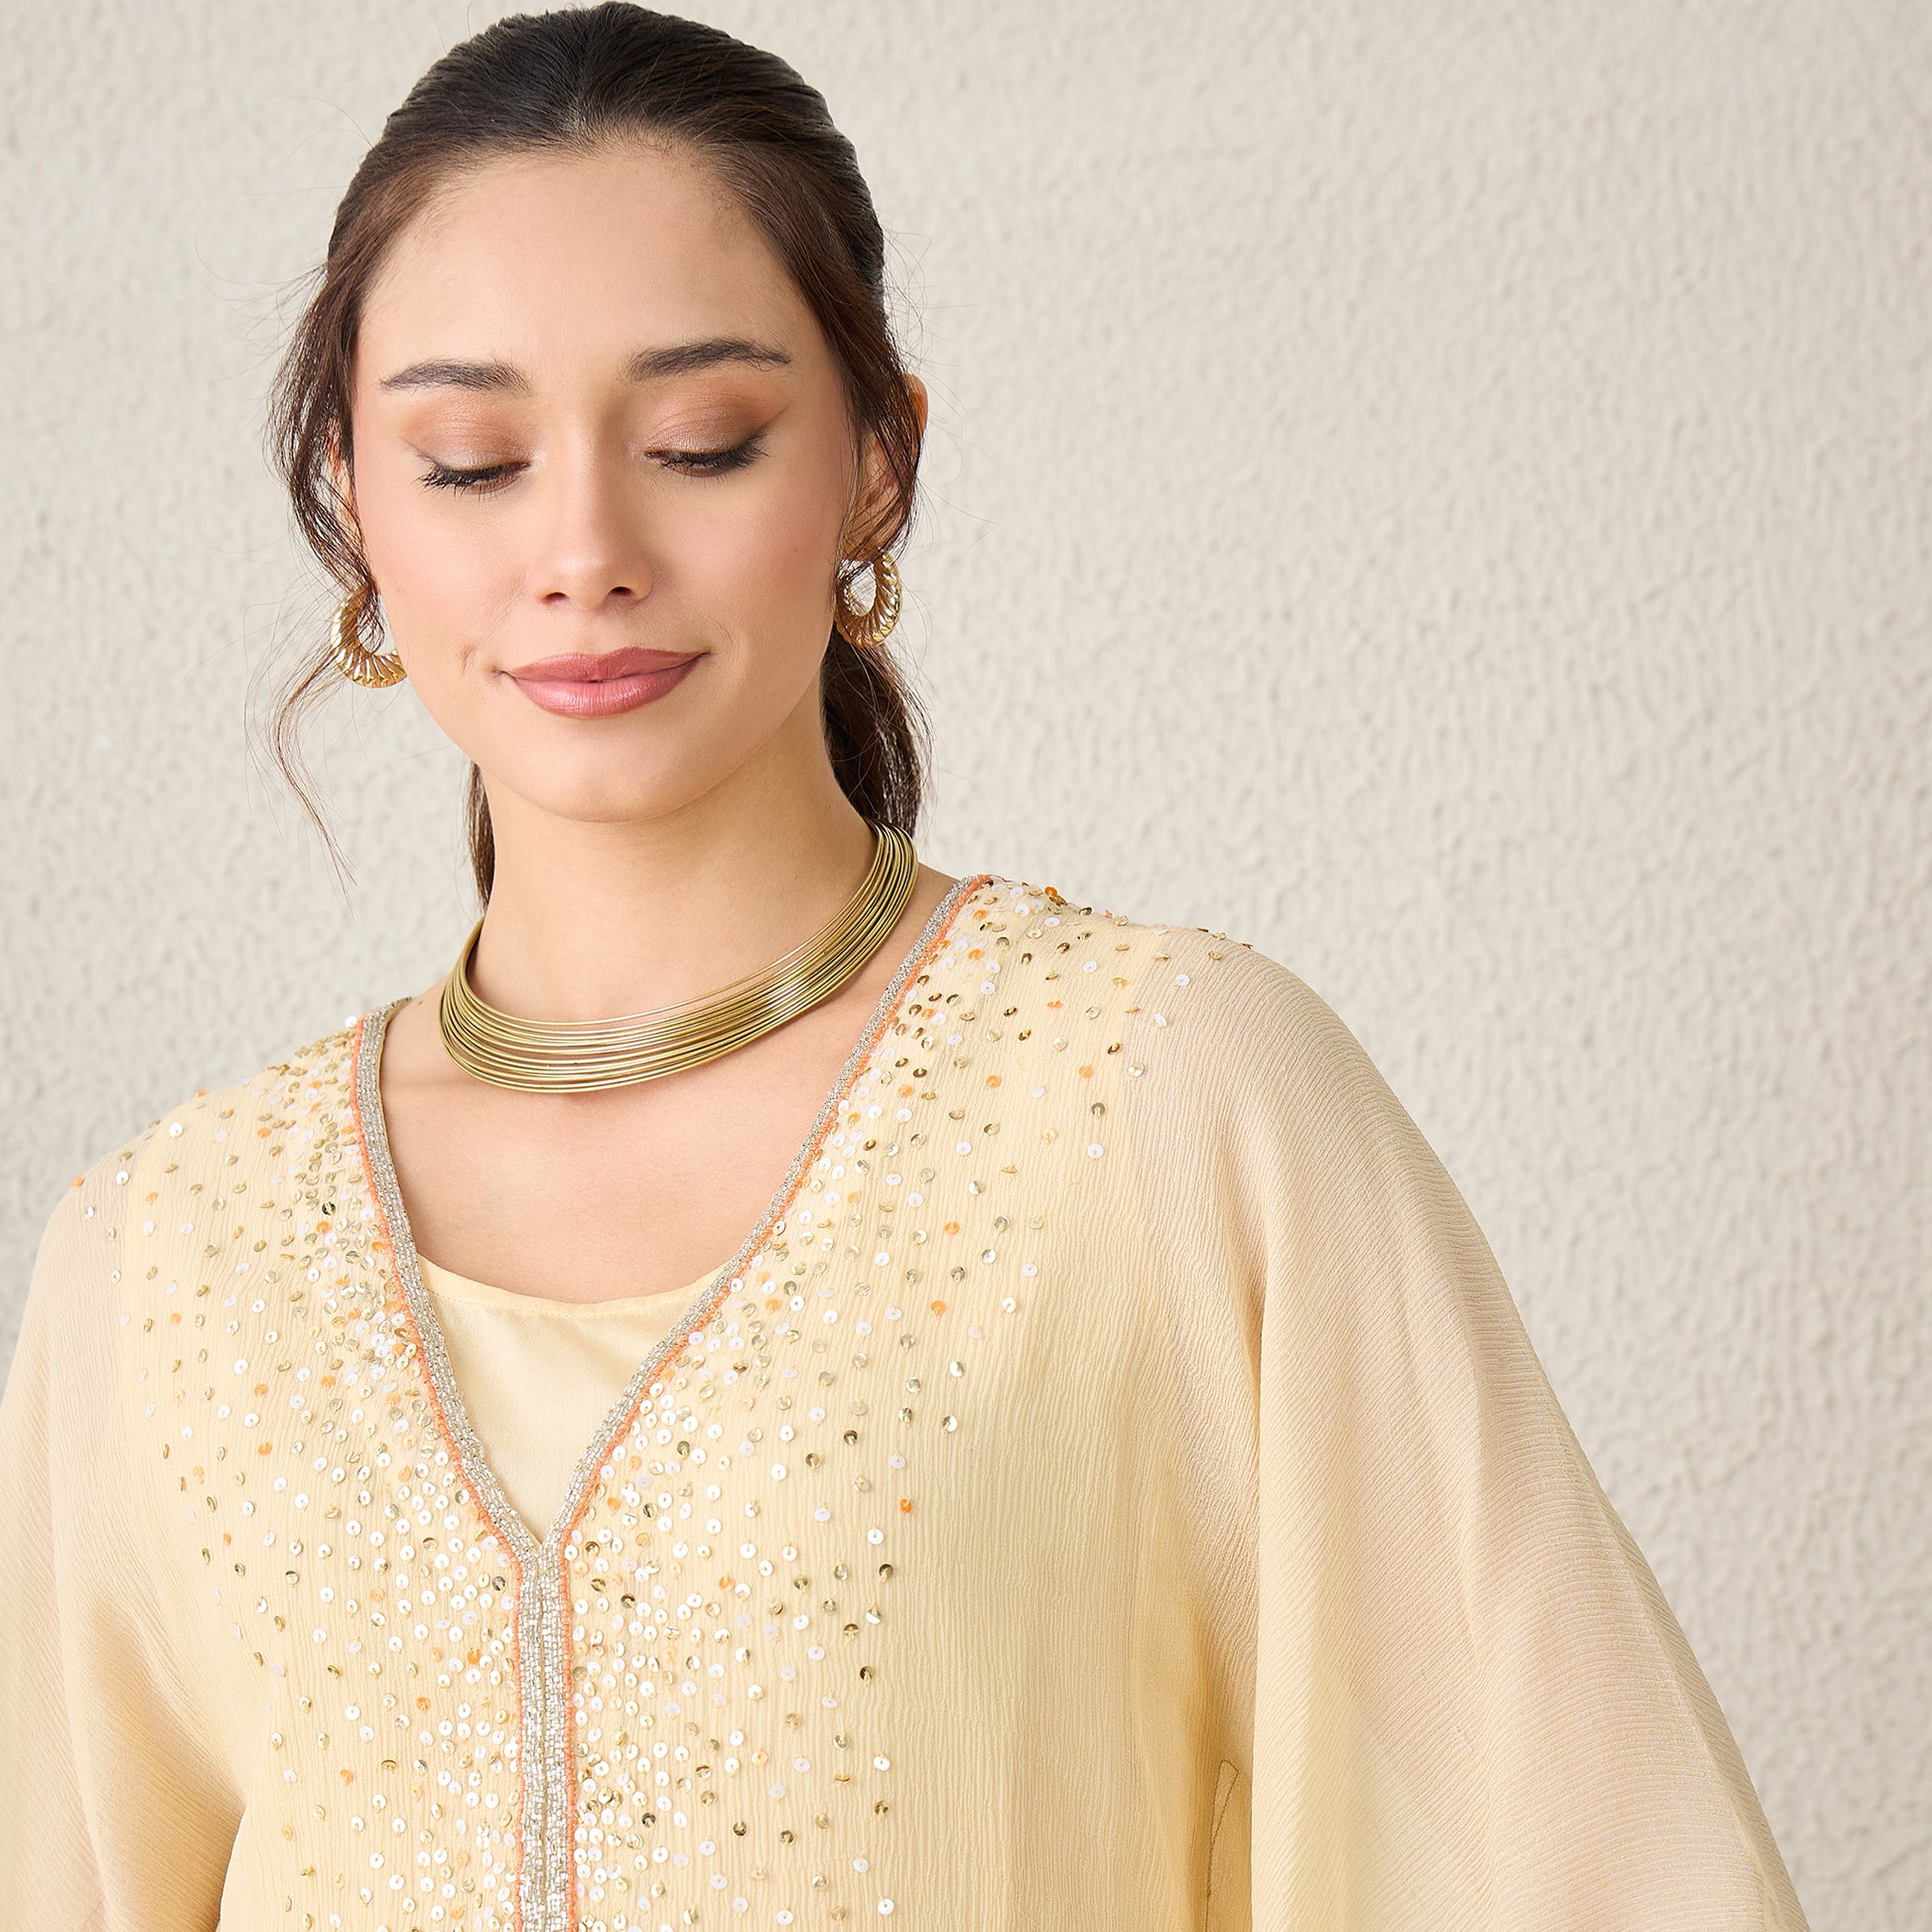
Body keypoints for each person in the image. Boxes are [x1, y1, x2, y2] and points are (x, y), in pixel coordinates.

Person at [0, 7, 1811, 1928]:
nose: (584, 548)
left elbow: (1587, 1860)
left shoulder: (1165, 1101)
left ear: (878, 465)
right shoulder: (166, 1255)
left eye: (701, 442)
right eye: (471, 461)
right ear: (351, 498)